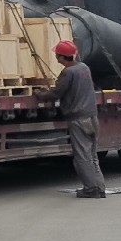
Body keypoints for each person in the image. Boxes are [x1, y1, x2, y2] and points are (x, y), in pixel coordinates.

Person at [50, 39, 105, 198]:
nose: (56, 57)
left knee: (82, 156)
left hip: (78, 119)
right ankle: (99, 187)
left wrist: (40, 94)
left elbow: (56, 93)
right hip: (91, 117)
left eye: (57, 54)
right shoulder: (84, 68)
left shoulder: (68, 73)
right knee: (92, 155)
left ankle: (90, 189)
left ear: (61, 57)